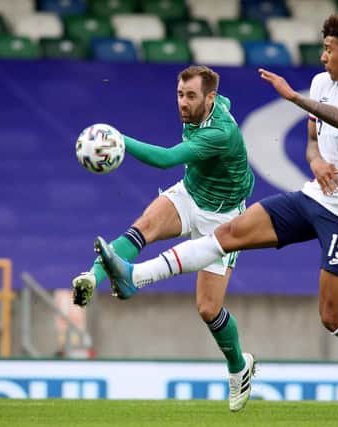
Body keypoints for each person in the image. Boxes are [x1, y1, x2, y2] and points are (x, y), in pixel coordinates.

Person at [95, 14, 338, 419]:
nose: (323, 56)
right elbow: (313, 141)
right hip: (312, 199)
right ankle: (135, 277)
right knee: (230, 232)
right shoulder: (323, 83)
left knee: (333, 316)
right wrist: (317, 162)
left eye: (329, 49)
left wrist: (291, 97)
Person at [72, 65, 256, 411]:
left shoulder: (221, 133)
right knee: (143, 227)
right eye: (179, 94)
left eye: (190, 96)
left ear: (209, 98)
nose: (183, 103)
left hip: (224, 217)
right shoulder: (213, 104)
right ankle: (92, 277)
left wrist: (119, 141)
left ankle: (238, 368)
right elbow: (224, 100)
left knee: (207, 308)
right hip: (190, 193)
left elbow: (166, 159)